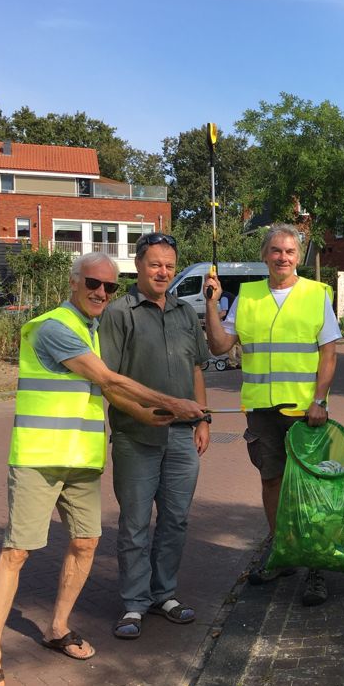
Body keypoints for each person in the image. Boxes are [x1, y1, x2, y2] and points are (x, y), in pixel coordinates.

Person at [0, 252, 205, 686]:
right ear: (74, 282)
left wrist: (146, 413)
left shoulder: (93, 330)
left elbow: (107, 391)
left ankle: (57, 628)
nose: (101, 293)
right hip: (40, 459)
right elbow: (107, 376)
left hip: (82, 460)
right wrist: (175, 405)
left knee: (85, 544)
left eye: (110, 287)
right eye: (93, 283)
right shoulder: (53, 326)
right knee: (16, 552)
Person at [203, 223, 340, 606]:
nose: (283, 257)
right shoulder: (246, 297)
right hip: (262, 411)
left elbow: (329, 353)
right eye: (276, 251)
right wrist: (212, 304)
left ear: (299, 257)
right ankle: (283, 555)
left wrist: (321, 401)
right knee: (272, 483)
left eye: (290, 252)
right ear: (265, 256)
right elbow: (219, 346)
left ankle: (315, 568)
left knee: (311, 488)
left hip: (304, 411)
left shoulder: (317, 294)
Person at [98, 232, 211, 639]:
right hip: (135, 437)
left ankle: (164, 594)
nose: (163, 272)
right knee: (134, 524)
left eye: (169, 265)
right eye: (154, 264)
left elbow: (197, 368)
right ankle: (133, 603)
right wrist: (141, 413)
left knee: (176, 520)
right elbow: (108, 381)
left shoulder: (184, 312)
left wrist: (203, 420)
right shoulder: (118, 313)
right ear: (139, 265)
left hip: (182, 438)